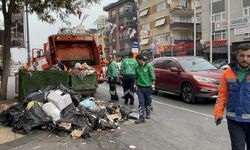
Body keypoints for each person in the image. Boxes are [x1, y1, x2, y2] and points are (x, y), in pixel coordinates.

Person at [214, 43, 250, 150]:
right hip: (234, 120)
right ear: (237, 56)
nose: (245, 59)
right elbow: (222, 94)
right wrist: (218, 113)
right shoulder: (227, 73)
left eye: (248, 56)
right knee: (237, 148)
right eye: (242, 55)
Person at [135, 54, 155, 124]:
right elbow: (136, 78)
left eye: (137, 60)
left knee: (148, 102)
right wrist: (135, 86)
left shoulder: (149, 66)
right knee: (141, 103)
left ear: (141, 60)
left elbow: (153, 77)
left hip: (148, 87)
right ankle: (141, 117)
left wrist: (153, 86)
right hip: (140, 87)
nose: (137, 62)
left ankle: (148, 113)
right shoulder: (137, 68)